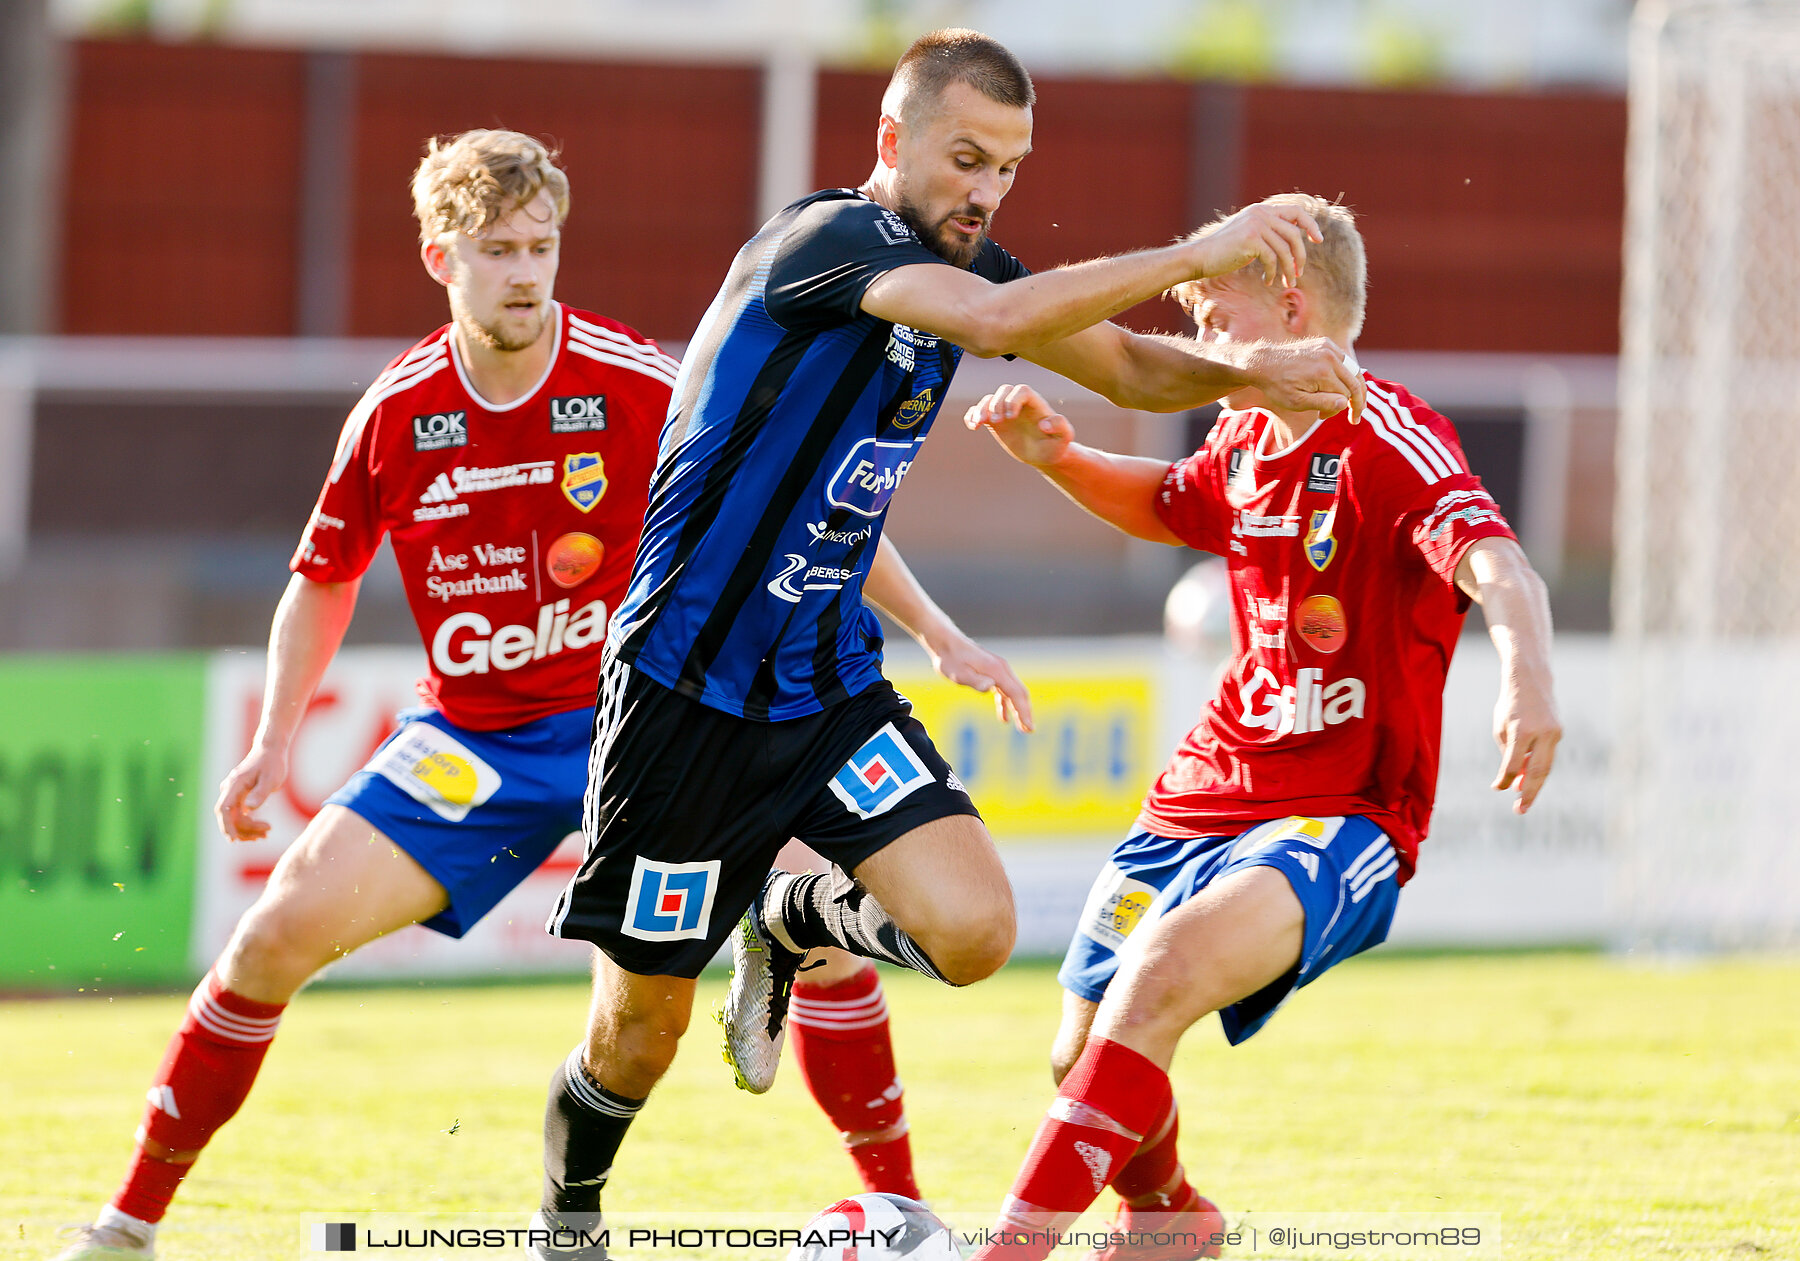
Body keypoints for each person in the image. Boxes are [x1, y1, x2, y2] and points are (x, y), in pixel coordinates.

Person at [51, 128, 1002, 1261]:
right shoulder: (397, 414)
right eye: (497, 249)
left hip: (652, 717)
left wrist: (937, 629)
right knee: (268, 940)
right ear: (437, 258)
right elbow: (322, 580)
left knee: (817, 934)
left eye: (541, 246)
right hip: (479, 740)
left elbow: (794, 499)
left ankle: (903, 1213)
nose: (526, 272)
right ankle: (127, 1224)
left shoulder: (635, 382)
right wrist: (270, 744)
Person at [533, 29, 1368, 1256]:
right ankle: (569, 1215)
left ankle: (792, 921)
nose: (984, 191)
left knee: (975, 931)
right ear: (893, 140)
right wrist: (1198, 255)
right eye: (965, 158)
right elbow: (995, 316)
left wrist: (1254, 376)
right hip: (682, 694)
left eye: (1009, 170)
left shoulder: (971, 270)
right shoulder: (828, 246)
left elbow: (1131, 367)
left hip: (823, 687)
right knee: (637, 1034)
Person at [959, 193, 1561, 1261]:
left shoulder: (1388, 436)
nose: (1196, 336)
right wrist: (1059, 457)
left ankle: (1007, 1249)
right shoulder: (1240, 425)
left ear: (1289, 306)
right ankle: (1169, 1217)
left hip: (1341, 809)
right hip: (1205, 793)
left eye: (1209, 309)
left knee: (1156, 983)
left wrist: (1527, 679)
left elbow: (1497, 563)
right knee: (1080, 1049)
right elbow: (1173, 505)